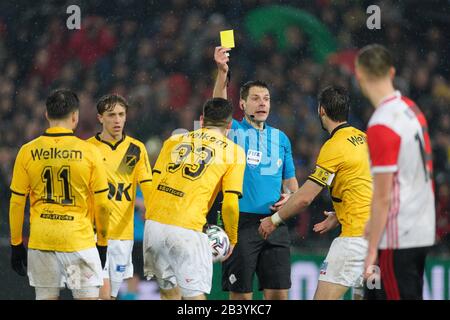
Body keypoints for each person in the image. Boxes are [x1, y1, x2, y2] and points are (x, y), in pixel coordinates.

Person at [259, 86, 373, 300]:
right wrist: (339, 215)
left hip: (354, 241)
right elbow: (371, 188)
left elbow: (304, 198)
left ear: (321, 110)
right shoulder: (365, 139)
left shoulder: (334, 146)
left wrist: (273, 220)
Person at [214, 46, 298, 300]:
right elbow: (217, 107)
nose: (262, 103)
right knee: (241, 297)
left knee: (278, 295)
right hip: (239, 224)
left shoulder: (281, 138)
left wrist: (290, 198)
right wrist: (222, 72)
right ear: (241, 103)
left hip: (275, 223)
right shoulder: (235, 132)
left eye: (266, 99)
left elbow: (292, 185)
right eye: (255, 98)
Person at [9, 89, 110, 300]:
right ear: (75, 117)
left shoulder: (27, 151)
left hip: (42, 242)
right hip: (77, 243)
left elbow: (17, 203)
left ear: (46, 115)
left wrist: (16, 243)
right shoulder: (90, 153)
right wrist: (102, 243)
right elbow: (102, 205)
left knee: (47, 298)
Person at [143, 97, 246, 300]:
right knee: (195, 299)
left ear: (201, 119)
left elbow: (153, 185)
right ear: (230, 125)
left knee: (169, 294)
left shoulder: (173, 141)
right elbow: (231, 205)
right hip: (186, 229)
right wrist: (232, 238)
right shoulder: (233, 152)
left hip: (154, 226)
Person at [355, 44, 435, 300]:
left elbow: (383, 196)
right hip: (421, 226)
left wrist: (371, 252)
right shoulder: (412, 110)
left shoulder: (382, 123)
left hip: (396, 235)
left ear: (359, 75)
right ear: (391, 71)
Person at [87, 94, 153, 300]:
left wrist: (151, 212)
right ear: (100, 118)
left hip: (123, 236)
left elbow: (147, 187)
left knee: (111, 296)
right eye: (111, 115)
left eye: (121, 114)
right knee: (101, 293)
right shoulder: (88, 148)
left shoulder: (135, 149)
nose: (117, 120)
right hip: (93, 234)